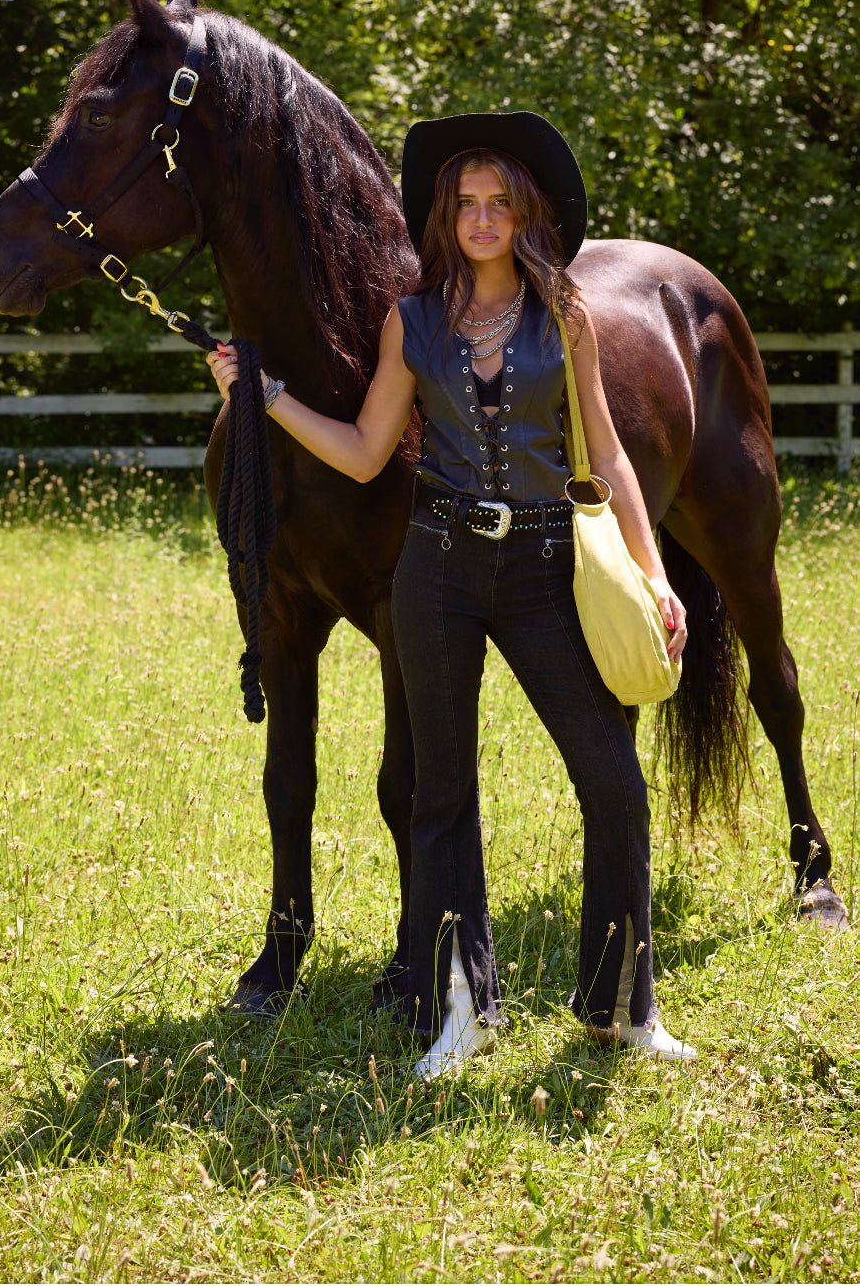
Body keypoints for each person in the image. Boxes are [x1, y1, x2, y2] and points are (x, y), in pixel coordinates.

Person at [208, 112, 696, 1078]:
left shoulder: (567, 316)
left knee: (613, 779)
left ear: (525, 215)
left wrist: (654, 569)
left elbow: (605, 453)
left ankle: (621, 1008)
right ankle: (461, 1008)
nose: (481, 219)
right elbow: (361, 452)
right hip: (435, 567)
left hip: (548, 564)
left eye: (498, 204)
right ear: (444, 215)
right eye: (466, 203)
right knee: (442, 793)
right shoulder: (412, 321)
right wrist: (258, 397)